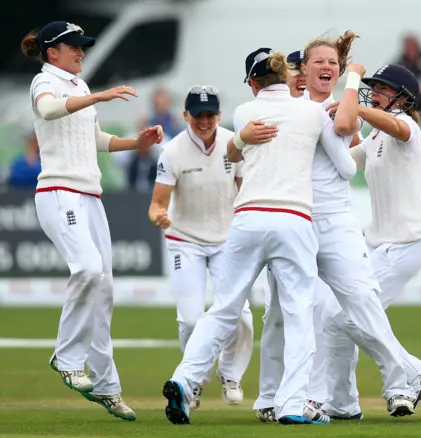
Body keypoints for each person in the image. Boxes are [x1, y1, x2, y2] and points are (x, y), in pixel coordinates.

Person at [162, 47, 352, 425]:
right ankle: (293, 404)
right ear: (286, 77)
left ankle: (184, 380)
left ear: (252, 82)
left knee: (224, 309)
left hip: (247, 219)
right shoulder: (313, 112)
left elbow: (233, 154)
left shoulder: (243, 113)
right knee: (299, 314)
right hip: (293, 218)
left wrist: (237, 142)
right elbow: (345, 162)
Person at [254, 32, 419, 422]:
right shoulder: (290, 109)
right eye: (318, 62)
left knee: (359, 300)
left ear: (339, 71)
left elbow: (347, 150)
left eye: (333, 63)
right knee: (286, 311)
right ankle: (273, 397)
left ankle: (402, 374)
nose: (325, 68)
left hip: (334, 219)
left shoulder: (338, 105)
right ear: (302, 70)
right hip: (294, 219)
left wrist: (353, 83)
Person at [21, 20, 164, 421]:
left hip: (90, 195)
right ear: (53, 53)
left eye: (82, 46)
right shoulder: (43, 82)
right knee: (86, 268)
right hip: (58, 192)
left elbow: (97, 139)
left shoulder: (80, 87)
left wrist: (137, 143)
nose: (81, 52)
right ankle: (66, 358)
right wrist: (101, 95)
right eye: (74, 47)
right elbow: (49, 110)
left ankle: (107, 387)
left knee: (104, 291)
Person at [322, 64, 421, 420]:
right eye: (374, 87)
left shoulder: (407, 128)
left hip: (405, 246)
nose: (376, 92)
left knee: (347, 320)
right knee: (333, 320)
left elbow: (398, 127)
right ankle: (342, 404)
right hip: (376, 245)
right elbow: (343, 160)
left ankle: (408, 374)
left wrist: (352, 105)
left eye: (384, 88)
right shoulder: (374, 138)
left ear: (403, 97)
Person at [148, 85, 255, 411]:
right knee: (192, 320)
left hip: (227, 240)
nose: (205, 121)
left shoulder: (232, 143)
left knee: (241, 314)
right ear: (186, 116)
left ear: (219, 115)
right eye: (198, 115)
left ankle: (231, 374)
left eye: (210, 115)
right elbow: (156, 203)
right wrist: (160, 217)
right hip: (186, 240)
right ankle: (192, 384)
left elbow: (245, 188)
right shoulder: (174, 151)